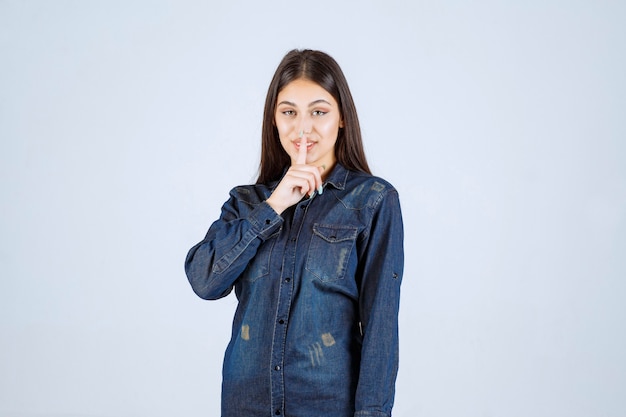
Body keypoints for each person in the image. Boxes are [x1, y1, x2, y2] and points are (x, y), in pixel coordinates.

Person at [185, 49, 404, 417]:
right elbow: (204, 281)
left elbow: (381, 329)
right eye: (289, 112)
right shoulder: (247, 203)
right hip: (246, 405)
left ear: (342, 119)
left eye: (319, 111)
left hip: (326, 406)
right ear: (274, 120)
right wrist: (273, 207)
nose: (303, 128)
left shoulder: (373, 201)